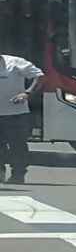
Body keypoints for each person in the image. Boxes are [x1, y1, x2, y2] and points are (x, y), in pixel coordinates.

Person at [0, 54, 45, 185]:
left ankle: (18, 175)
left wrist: (27, 92)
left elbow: (40, 76)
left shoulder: (15, 63)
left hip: (15, 113)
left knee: (17, 146)